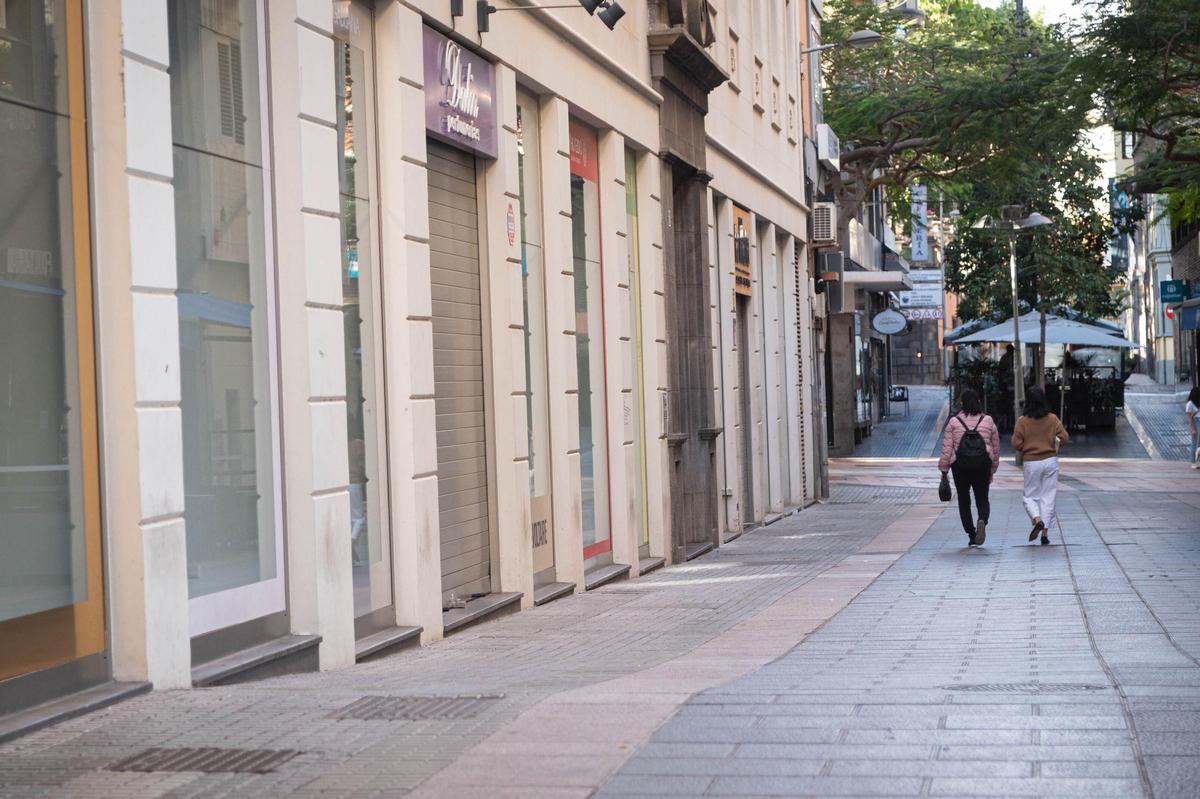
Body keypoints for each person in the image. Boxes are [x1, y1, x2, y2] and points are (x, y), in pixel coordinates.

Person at [939, 389, 1000, 546]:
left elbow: (947, 448)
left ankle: (972, 534)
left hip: (960, 466)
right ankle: (982, 520)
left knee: (964, 500)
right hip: (982, 464)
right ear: (978, 402)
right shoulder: (988, 421)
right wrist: (993, 467)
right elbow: (995, 445)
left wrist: (944, 470)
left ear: (962, 404)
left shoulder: (954, 422)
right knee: (982, 497)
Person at [1012, 385, 1068, 545]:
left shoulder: (1022, 421)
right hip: (1050, 461)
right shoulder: (1052, 419)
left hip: (1031, 462)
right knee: (1048, 497)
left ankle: (1037, 520)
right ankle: (1044, 534)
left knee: (1030, 496)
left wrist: (1027, 447)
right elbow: (1064, 438)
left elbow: (1016, 443)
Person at [1186, 386, 1200, 469]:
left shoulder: (1198, 402)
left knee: (1198, 443)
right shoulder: (1190, 404)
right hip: (1196, 421)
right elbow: (1189, 418)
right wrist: (1192, 428)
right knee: (1195, 443)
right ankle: (1193, 461)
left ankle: (1198, 461)